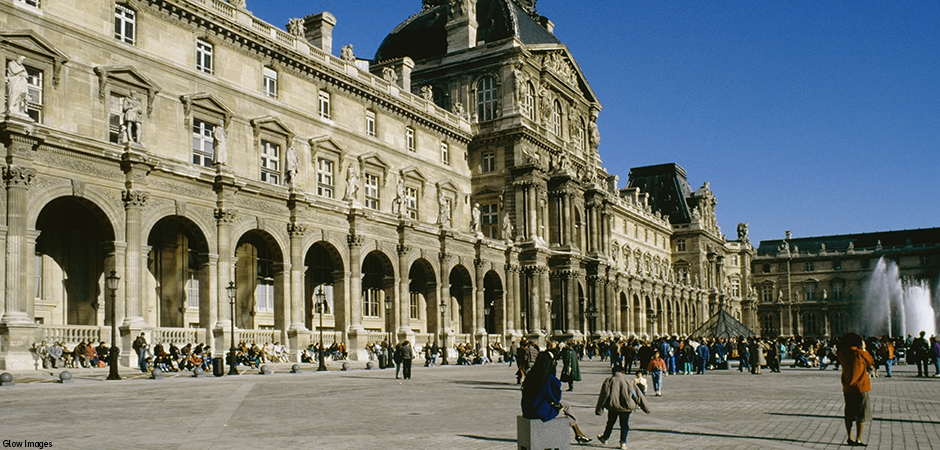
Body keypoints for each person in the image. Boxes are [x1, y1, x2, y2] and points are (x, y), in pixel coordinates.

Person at [520, 351, 591, 444]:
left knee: (566, 405)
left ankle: (578, 433)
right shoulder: (548, 378)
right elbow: (555, 398)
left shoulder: (530, 375)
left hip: (527, 409)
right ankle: (576, 433)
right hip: (539, 411)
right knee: (566, 414)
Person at [595, 364, 651, 450]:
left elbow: (604, 395)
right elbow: (636, 395)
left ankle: (605, 438)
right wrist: (646, 408)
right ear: (623, 373)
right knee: (624, 425)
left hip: (613, 406)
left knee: (610, 423)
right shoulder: (628, 381)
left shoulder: (609, 381)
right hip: (626, 407)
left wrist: (599, 409)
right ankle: (623, 442)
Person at [837, 332, 873, 446]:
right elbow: (870, 362)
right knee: (861, 414)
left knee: (849, 413)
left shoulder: (841, 353)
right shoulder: (859, 353)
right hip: (861, 386)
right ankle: (858, 438)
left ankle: (850, 437)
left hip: (848, 387)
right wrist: (863, 349)